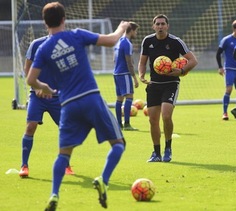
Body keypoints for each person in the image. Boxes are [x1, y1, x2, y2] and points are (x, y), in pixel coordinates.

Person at [26, 2, 129, 210]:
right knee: (118, 144)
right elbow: (110, 41)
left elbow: (30, 80)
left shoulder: (43, 48)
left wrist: (43, 86)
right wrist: (122, 28)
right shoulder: (76, 35)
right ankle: (103, 180)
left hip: (68, 105)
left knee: (64, 154)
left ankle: (54, 194)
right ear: (64, 19)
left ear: (45, 22)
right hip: (91, 98)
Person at [138, 14, 197, 162]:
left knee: (166, 115)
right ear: (153, 26)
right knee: (152, 120)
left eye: (163, 24)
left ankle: (168, 148)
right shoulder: (148, 41)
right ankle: (156, 153)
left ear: (167, 26)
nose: (160, 26)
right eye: (157, 24)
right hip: (154, 85)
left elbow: (193, 60)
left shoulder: (176, 42)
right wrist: (141, 74)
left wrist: (182, 71)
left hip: (171, 84)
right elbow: (142, 62)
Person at [19, 36, 74, 178]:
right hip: (37, 96)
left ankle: (66, 165)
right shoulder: (36, 44)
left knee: (66, 129)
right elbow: (28, 67)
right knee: (31, 126)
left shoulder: (65, 46)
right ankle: (24, 165)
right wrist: (35, 86)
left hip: (57, 97)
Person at [216, 19, 236, 120]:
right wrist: (220, 67)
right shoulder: (226, 40)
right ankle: (225, 113)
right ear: (235, 28)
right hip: (229, 68)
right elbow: (218, 53)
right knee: (229, 89)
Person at [113, 22, 140, 131]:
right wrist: (134, 77)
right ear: (131, 30)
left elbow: (114, 59)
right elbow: (129, 62)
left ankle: (119, 124)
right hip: (124, 73)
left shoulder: (118, 42)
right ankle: (127, 124)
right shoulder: (127, 43)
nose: (136, 33)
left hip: (116, 73)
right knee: (129, 97)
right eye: (136, 31)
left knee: (119, 99)